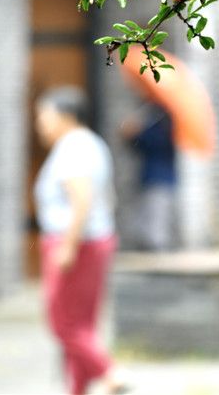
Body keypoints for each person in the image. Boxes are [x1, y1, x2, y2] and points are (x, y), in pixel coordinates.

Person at [34, 87, 126, 395]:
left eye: (44, 115)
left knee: (63, 323)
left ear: (66, 116)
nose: (40, 123)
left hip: (76, 243)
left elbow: (82, 199)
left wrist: (68, 246)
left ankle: (108, 373)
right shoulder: (90, 144)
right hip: (94, 241)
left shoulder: (73, 147)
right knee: (82, 325)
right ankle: (77, 389)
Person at [121, 103, 177, 251]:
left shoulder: (165, 126)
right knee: (146, 220)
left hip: (160, 178)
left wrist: (137, 130)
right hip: (151, 178)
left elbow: (148, 141)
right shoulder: (156, 122)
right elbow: (138, 146)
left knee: (156, 223)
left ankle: (158, 256)